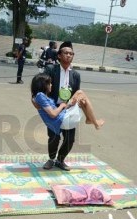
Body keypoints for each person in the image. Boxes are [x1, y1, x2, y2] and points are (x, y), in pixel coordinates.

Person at [33, 41, 104, 171]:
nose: (68, 55)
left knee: (70, 139)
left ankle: (60, 160)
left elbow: (77, 91)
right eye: (66, 53)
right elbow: (42, 86)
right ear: (59, 55)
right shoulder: (50, 70)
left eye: (71, 54)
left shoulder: (76, 75)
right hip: (54, 108)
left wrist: (78, 103)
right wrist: (40, 103)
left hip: (69, 109)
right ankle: (51, 159)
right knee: (54, 137)